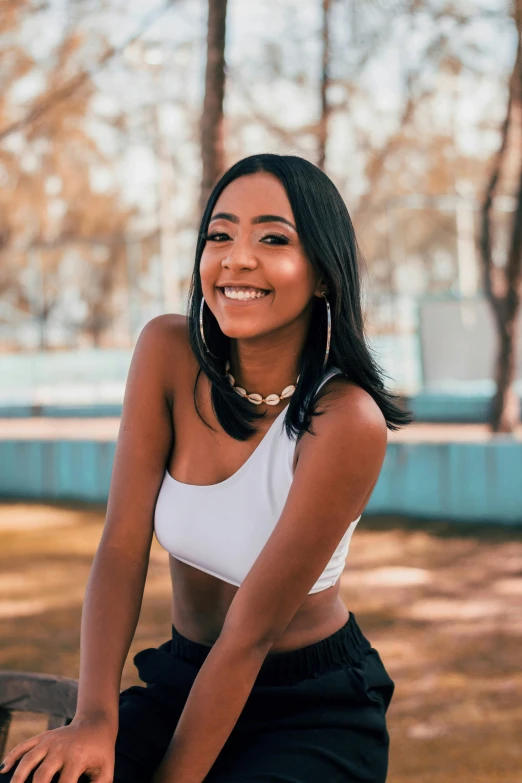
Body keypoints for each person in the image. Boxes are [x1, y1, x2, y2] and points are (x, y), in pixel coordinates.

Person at [0, 153, 412, 783]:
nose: (237, 258)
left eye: (272, 238)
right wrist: (94, 719)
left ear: (323, 274)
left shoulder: (345, 420)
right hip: (181, 680)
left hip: (309, 708)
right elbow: (120, 546)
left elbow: (248, 636)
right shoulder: (166, 353)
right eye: (220, 234)